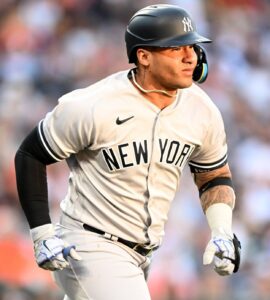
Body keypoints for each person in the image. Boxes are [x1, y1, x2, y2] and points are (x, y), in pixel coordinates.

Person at [15, 4, 241, 300]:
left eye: (192, 46)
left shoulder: (202, 110)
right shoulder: (94, 105)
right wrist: (41, 234)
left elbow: (213, 175)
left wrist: (222, 230)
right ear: (143, 56)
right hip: (88, 244)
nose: (191, 57)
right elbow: (30, 154)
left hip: (142, 255)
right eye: (176, 49)